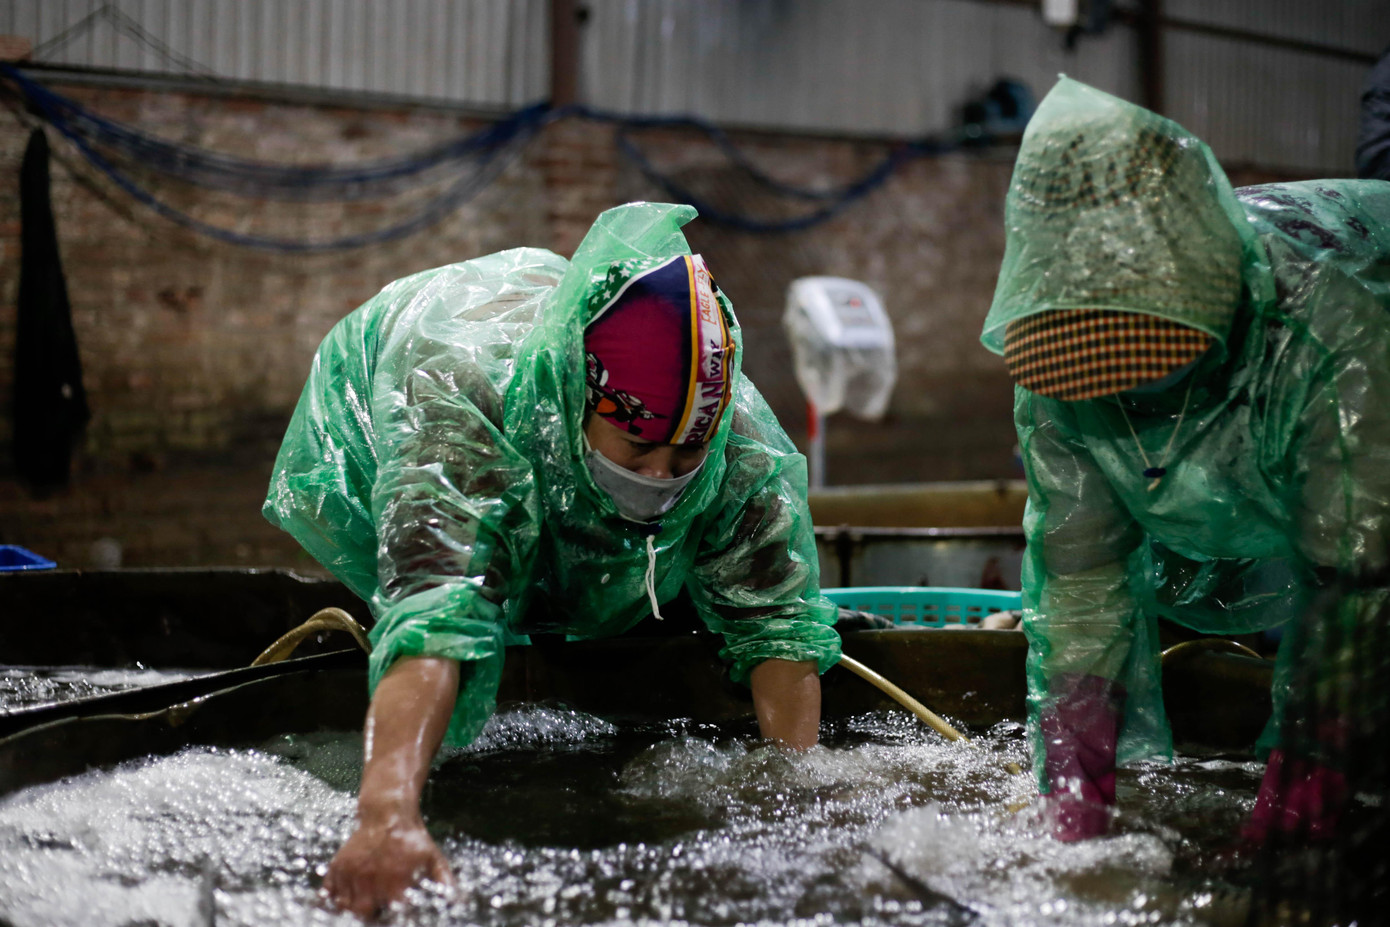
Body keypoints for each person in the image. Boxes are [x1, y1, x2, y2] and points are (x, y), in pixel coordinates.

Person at [263, 202, 842, 916]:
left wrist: (795, 789)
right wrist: (386, 815)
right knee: (476, 578)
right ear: (580, 399)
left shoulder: (737, 446)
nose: (661, 477)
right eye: (637, 451)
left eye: (684, 455)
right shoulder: (464, 413)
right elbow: (436, 614)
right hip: (413, 370)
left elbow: (777, 624)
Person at [978, 77, 1390, 842]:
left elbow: (1357, 582)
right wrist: (1077, 790)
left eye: (1151, 372)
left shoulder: (1330, 326)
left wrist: (1304, 786)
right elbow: (1079, 576)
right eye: (1107, 385)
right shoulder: (1060, 369)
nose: (1134, 405)